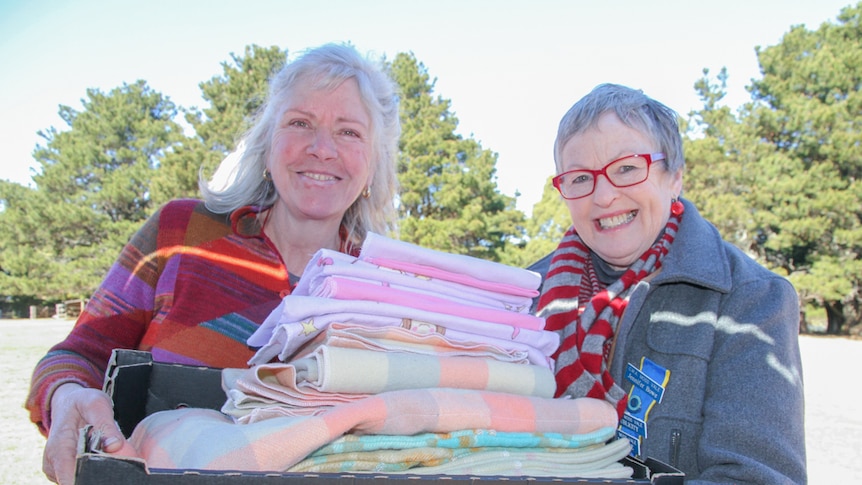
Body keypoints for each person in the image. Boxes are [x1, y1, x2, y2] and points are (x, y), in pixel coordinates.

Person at [26, 43, 401, 485]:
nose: (321, 148)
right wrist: (67, 396)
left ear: (374, 165)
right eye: (300, 122)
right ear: (267, 145)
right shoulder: (181, 234)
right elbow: (74, 357)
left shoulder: (390, 289)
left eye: (349, 132)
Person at [530, 83, 806, 484]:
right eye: (580, 177)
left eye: (627, 168)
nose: (604, 195)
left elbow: (756, 478)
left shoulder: (749, 299)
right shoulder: (526, 297)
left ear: (674, 176)